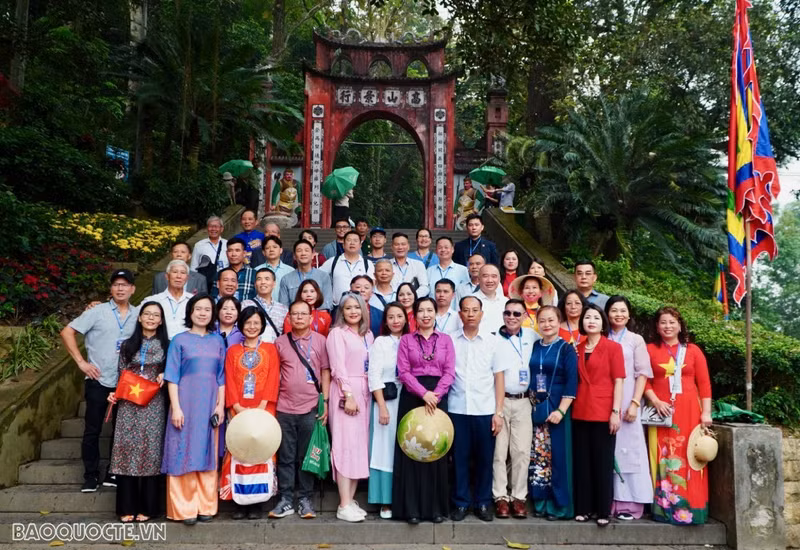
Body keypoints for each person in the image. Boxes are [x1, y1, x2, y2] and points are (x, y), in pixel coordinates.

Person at [61, 269, 140, 493]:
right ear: (110, 288)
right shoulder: (97, 311)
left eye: (125, 284)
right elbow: (67, 332)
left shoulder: (139, 314)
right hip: (98, 379)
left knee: (121, 429)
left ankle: (114, 471)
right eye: (116, 284)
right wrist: (81, 362)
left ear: (133, 289)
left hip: (126, 381)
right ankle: (91, 475)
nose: (121, 288)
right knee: (92, 430)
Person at [161, 294, 226, 525]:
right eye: (198, 309)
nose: (202, 313)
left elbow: (221, 377)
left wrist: (220, 405)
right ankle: (184, 508)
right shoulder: (179, 341)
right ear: (190, 312)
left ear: (212, 314)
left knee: (207, 451)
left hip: (209, 404)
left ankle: (206, 505)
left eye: (207, 309)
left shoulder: (218, 341)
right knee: (183, 451)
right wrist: (176, 408)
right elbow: (172, 377)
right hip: (185, 403)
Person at [645, 307, 712, 525]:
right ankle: (664, 508)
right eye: (663, 322)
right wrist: (655, 400)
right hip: (661, 411)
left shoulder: (693, 350)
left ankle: (692, 507)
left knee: (689, 456)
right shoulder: (649, 350)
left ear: (680, 325)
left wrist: (707, 413)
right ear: (657, 326)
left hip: (690, 411)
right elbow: (643, 380)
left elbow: (704, 384)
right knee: (663, 455)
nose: (667, 326)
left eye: (672, 322)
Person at [393, 297, 456, 524]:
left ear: (435, 314)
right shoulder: (407, 340)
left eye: (430, 310)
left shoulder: (446, 340)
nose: (426, 315)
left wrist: (436, 394)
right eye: (421, 311)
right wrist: (424, 394)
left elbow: (449, 372)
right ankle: (411, 509)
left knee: (435, 449)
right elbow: (404, 371)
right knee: (411, 450)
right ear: (415, 315)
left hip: (438, 397)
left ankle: (435, 509)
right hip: (413, 396)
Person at [106, 301, 169, 522]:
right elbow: (121, 373)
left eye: (156, 315)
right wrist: (114, 393)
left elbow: (172, 371)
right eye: (147, 314)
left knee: (150, 450)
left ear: (161, 320)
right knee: (126, 449)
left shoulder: (167, 345)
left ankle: (149, 508)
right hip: (128, 402)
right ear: (140, 317)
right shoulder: (127, 345)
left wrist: (165, 373)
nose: (151, 318)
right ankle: (126, 508)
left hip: (154, 402)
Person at [271, 300, 331, 520]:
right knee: (286, 456)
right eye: (294, 314)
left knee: (307, 456)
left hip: (311, 407)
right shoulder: (280, 342)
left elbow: (326, 372)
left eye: (303, 314)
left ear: (311, 317)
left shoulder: (321, 341)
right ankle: (286, 499)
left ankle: (305, 499)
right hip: (284, 407)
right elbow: (274, 374)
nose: (298, 318)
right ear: (288, 317)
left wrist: (326, 402)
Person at [219, 306, 281, 520]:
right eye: (248, 322)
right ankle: (239, 501)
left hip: (264, 409)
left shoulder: (271, 349)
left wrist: (262, 406)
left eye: (256, 322)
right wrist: (236, 406)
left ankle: (257, 503)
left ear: (262, 325)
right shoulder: (233, 350)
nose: (252, 326)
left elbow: (274, 377)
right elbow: (228, 379)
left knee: (262, 452)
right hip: (239, 409)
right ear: (241, 325)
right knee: (239, 452)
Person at [450, 295, 505, 522]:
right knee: (459, 459)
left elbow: (498, 377)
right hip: (457, 408)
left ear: (482, 314)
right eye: (466, 310)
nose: (471, 314)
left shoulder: (493, 342)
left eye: (475, 310)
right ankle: (461, 503)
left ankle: (483, 502)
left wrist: (498, 412)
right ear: (460, 314)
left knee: (485, 459)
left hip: (484, 409)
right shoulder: (450, 340)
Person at [572, 303, 624, 526]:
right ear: (582, 322)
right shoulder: (578, 347)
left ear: (603, 322)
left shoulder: (613, 348)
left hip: (604, 411)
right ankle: (584, 508)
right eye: (587, 318)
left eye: (595, 317)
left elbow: (619, 381)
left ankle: (603, 510)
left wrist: (615, 411)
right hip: (580, 410)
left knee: (602, 463)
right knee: (582, 462)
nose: (591, 321)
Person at [326, 293, 374, 522]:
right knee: (344, 445)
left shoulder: (368, 335)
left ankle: (350, 500)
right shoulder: (337, 334)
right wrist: (348, 395)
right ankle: (343, 503)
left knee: (358, 448)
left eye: (357, 307)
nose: (353, 311)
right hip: (347, 391)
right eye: (348, 308)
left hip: (365, 391)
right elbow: (337, 368)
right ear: (342, 311)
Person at [605, 296, 653, 521]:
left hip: (628, 401)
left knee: (630, 451)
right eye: (614, 310)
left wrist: (635, 402)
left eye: (622, 310)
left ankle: (631, 503)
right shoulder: (601, 337)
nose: (618, 314)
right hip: (606, 400)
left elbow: (642, 373)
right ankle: (609, 499)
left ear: (629, 314)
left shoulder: (636, 340)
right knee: (609, 450)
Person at [528, 305, 578, 520]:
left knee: (558, 457)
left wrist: (561, 410)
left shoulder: (566, 349)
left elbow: (572, 382)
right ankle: (541, 502)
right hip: (537, 407)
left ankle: (560, 506)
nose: (547, 325)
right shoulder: (534, 346)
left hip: (558, 406)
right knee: (540, 457)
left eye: (551, 320)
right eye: (543, 321)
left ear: (559, 322)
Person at [491, 299, 539, 519]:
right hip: (498, 400)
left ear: (525, 317)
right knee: (500, 452)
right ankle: (500, 497)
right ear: (503, 315)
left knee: (520, 452)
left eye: (517, 314)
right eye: (508, 313)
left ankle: (519, 497)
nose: (512, 317)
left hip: (523, 401)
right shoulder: (493, 339)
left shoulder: (532, 337)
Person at [367, 302, 410, 519]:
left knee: (405, 447)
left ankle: (404, 497)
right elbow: (373, 375)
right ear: (385, 321)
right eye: (391, 317)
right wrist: (382, 406)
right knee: (384, 450)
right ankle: (385, 500)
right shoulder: (381, 342)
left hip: (409, 399)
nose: (395, 321)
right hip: (387, 399)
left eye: (399, 316)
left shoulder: (412, 341)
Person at [320, 231, 374, 309]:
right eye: (349, 240)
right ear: (343, 245)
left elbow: (372, 285)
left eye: (355, 241)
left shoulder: (367, 264)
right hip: (338, 308)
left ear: (360, 245)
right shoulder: (333, 261)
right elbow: (318, 276)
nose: (352, 243)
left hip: (361, 308)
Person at [278, 240, 333, 311]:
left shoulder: (323, 276)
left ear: (313, 255)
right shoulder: (286, 279)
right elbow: (283, 307)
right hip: (295, 318)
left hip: (317, 319)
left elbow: (327, 304)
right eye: (299, 250)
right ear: (294, 256)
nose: (303, 253)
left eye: (306, 250)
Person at [150, 260, 191, 339]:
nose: (178, 276)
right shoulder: (154, 300)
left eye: (183, 273)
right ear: (167, 276)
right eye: (175, 272)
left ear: (187, 278)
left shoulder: (194, 301)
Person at [253, 268, 288, 342]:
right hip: (253, 351)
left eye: (267, 279)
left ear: (274, 284)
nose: (263, 282)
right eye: (259, 279)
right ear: (255, 284)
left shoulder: (283, 309)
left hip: (275, 351)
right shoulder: (245, 305)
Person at [390, 232, 430, 298]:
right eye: (397, 244)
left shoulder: (418, 264)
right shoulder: (387, 265)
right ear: (392, 247)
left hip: (413, 304)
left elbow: (425, 287)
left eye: (403, 244)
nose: (400, 247)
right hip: (392, 304)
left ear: (408, 246)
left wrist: (411, 297)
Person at [473, 264, 508, 336]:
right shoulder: (470, 301)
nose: (490, 280)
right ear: (478, 279)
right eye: (485, 276)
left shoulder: (505, 302)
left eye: (494, 276)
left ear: (499, 279)